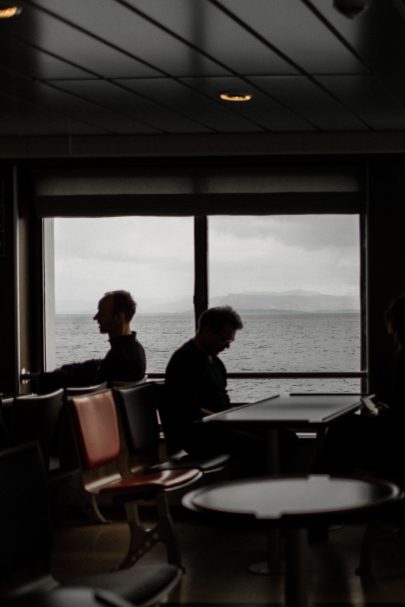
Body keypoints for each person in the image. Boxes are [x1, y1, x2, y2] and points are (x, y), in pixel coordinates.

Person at [165, 306, 273, 474]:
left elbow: (222, 403)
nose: (227, 347)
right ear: (208, 331)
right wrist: (227, 418)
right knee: (260, 445)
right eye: (225, 340)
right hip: (197, 434)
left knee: (285, 438)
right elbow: (187, 409)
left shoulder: (214, 363)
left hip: (218, 427)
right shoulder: (184, 361)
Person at [314, 294, 405, 479]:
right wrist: (387, 413)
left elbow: (396, 421)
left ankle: (319, 482)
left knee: (341, 427)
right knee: (344, 426)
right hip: (397, 435)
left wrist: (381, 416)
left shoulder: (404, 358)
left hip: (395, 443)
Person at [38, 290, 146, 392]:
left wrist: (48, 378)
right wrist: (67, 369)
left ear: (119, 317)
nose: (96, 317)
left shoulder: (119, 356)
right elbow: (99, 366)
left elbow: (93, 390)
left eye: (101, 313)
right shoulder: (134, 349)